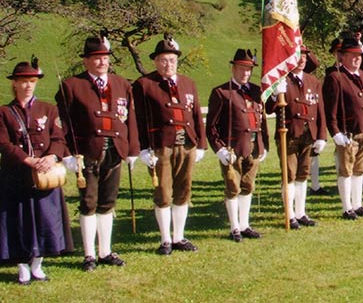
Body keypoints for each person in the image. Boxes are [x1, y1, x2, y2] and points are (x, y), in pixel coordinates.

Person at [57, 34, 139, 272]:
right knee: (89, 202)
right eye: (96, 58)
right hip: (87, 153)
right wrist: (68, 153)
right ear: (86, 61)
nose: (102, 62)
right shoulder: (72, 86)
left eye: (104, 57)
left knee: (108, 202)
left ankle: (105, 251)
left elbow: (130, 119)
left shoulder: (122, 84)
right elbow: (64, 123)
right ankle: (89, 254)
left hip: (115, 150)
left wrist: (132, 150)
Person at [0, 59, 73, 284]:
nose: (28, 86)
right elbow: (3, 143)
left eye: (31, 81)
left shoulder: (49, 109)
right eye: (23, 81)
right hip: (16, 176)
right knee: (18, 222)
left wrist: (51, 157)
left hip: (45, 176)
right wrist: (28, 160)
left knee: (45, 221)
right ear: (15, 84)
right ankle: (22, 266)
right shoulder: (3, 112)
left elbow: (59, 138)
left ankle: (37, 264)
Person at [132, 36, 206, 255]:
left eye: (172, 60)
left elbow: (195, 115)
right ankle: (165, 239)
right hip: (160, 145)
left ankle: (179, 237)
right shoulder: (144, 85)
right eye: (163, 60)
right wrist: (143, 148)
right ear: (156, 61)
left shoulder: (188, 83)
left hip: (186, 144)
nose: (168, 64)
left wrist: (200, 144)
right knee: (163, 192)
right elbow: (139, 120)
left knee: (183, 190)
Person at [206, 49, 269, 241]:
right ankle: (234, 227)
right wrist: (220, 149)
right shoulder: (221, 92)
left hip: (253, 147)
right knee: (233, 186)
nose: (245, 73)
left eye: (249, 70)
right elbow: (211, 127)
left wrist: (264, 145)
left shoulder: (257, 91)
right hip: (232, 148)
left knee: (248, 185)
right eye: (242, 68)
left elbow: (263, 120)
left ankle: (245, 224)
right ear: (233, 68)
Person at [269, 45, 326, 228]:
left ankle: (301, 212)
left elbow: (320, 110)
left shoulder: (313, 81)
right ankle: (290, 214)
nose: (302, 60)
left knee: (303, 174)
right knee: (290, 174)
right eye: (297, 56)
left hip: (309, 134)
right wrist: (275, 94)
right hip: (289, 133)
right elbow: (268, 109)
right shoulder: (281, 80)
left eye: (304, 56)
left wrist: (322, 136)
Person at [323, 36, 363, 219]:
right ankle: (347, 207)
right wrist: (335, 132)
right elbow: (329, 109)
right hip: (348, 132)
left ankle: (358, 204)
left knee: (360, 170)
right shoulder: (335, 77)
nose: (357, 59)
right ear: (343, 57)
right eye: (352, 56)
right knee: (346, 171)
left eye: (359, 56)